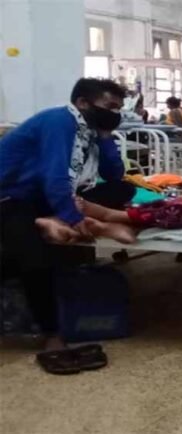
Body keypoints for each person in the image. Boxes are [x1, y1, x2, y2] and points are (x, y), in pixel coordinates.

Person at [0, 78, 135, 374]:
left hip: (42, 199)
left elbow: (114, 174)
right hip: (12, 197)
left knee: (123, 189)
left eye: (118, 109)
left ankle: (53, 221)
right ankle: (53, 336)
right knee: (34, 260)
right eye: (109, 106)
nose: (115, 113)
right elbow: (55, 177)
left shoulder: (89, 131)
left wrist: (105, 136)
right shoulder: (59, 122)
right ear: (83, 103)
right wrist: (75, 219)